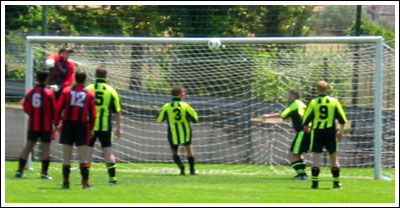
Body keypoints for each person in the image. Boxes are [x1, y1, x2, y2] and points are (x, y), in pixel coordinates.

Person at [302, 81, 347, 189]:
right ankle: (336, 183)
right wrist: (341, 132)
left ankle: (315, 183)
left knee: (316, 158)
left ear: (317, 89)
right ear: (328, 89)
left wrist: (307, 127)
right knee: (333, 157)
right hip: (330, 131)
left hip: (317, 131)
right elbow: (343, 120)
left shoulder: (313, 102)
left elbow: (306, 119)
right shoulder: (334, 102)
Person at [56, 70, 96, 189]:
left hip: (67, 125)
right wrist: (91, 127)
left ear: (74, 78)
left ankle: (66, 182)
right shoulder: (90, 94)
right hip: (81, 126)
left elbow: (59, 108)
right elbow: (93, 114)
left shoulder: (67, 91)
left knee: (66, 156)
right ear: (85, 79)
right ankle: (86, 183)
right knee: (82, 156)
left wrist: (57, 122)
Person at [16, 71, 57, 180]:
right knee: (46, 148)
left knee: (28, 147)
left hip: (33, 124)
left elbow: (25, 106)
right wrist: (55, 122)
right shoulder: (49, 93)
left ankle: (19, 171)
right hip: (45, 125)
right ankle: (44, 173)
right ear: (46, 79)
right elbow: (54, 110)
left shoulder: (30, 92)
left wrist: (33, 114)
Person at [262, 89, 310, 180]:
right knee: (299, 154)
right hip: (309, 131)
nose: (287, 96)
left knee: (292, 155)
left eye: (288, 94)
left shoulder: (294, 104)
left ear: (292, 95)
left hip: (302, 132)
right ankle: (303, 174)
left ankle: (301, 175)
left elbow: (283, 114)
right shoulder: (301, 104)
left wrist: (267, 116)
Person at [86, 66, 122, 186]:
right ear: (106, 76)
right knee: (108, 151)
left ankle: (85, 179)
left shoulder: (88, 89)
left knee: (88, 151)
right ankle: (112, 179)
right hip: (105, 126)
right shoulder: (111, 91)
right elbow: (117, 111)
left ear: (95, 75)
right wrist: (119, 128)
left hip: (89, 125)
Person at [157, 86, 199, 175]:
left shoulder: (167, 106)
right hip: (185, 132)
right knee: (189, 150)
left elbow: (159, 119)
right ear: (179, 94)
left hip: (172, 133)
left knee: (174, 152)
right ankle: (192, 171)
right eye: (183, 92)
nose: (185, 94)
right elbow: (195, 118)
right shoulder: (185, 105)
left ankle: (181, 166)